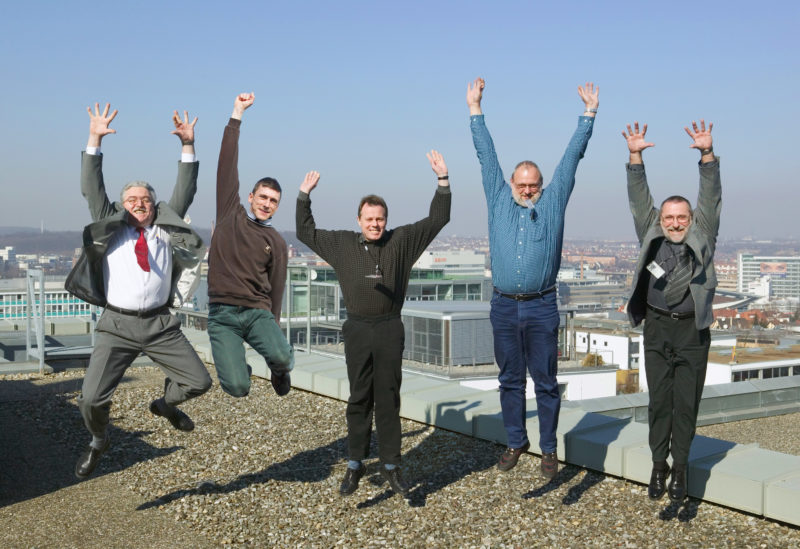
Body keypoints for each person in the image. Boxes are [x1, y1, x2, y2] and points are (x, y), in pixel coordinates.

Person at [67, 103, 212, 479]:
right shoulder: (109, 225)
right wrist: (95, 137)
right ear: (122, 205)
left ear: (153, 204)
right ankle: (99, 440)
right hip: (117, 325)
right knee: (90, 399)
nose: (139, 204)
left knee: (199, 382)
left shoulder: (166, 226)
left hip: (160, 324)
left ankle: (165, 405)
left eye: (145, 199)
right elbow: (91, 186)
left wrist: (188, 146)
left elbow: (187, 189)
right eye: (131, 200)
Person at [295, 151, 451, 497]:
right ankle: (354, 464)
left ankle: (392, 466)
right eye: (369, 219)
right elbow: (304, 231)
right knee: (359, 397)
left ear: (385, 220)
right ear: (359, 219)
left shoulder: (402, 242)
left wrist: (442, 180)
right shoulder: (342, 244)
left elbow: (438, 219)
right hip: (357, 329)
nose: (375, 224)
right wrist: (304, 196)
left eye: (380, 219)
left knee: (389, 397)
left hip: (388, 327)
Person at [467, 77, 598, 479]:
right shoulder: (498, 199)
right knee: (508, 379)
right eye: (521, 185)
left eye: (533, 185)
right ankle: (515, 441)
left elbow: (571, 158)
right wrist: (475, 109)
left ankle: (549, 448)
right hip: (504, 304)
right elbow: (486, 156)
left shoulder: (554, 201)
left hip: (542, 305)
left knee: (545, 380)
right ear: (511, 185)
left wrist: (588, 115)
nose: (527, 191)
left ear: (542, 186)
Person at [622, 120, 720, 502]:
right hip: (657, 329)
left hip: (691, 333)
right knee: (659, 401)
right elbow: (637, 197)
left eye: (681, 217)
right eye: (669, 218)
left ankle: (681, 468)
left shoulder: (703, 232)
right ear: (660, 220)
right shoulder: (652, 232)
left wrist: (706, 155)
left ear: (691, 219)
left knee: (686, 403)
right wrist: (635, 156)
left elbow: (711, 196)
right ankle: (657, 465)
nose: (675, 223)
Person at [207, 93, 294, 399]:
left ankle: (279, 369)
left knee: (283, 357)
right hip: (222, 314)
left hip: (257, 313)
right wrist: (237, 114)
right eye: (263, 197)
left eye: (273, 201)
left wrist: (275, 334)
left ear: (276, 206)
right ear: (250, 197)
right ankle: (240, 371)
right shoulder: (230, 213)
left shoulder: (276, 242)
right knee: (237, 388)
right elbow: (226, 163)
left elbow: (277, 289)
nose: (267, 203)